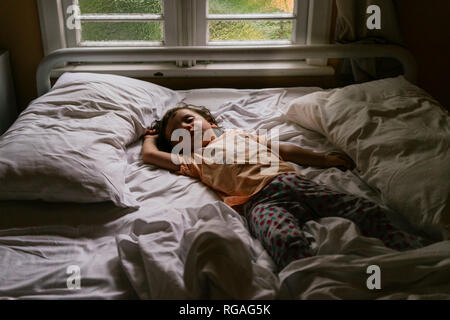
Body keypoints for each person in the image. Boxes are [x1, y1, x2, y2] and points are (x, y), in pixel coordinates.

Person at [142, 104, 424, 271]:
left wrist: (324, 159)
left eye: (189, 120)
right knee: (282, 239)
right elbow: (151, 156)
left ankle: (406, 245)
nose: (187, 129)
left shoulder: (239, 135)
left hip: (289, 181)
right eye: (177, 134)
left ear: (211, 122)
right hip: (258, 201)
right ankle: (311, 277)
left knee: (362, 207)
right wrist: (151, 138)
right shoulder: (192, 159)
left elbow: (285, 149)